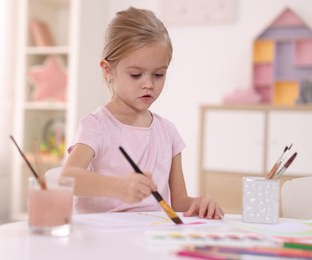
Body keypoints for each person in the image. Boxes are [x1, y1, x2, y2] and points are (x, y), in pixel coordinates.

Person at [61, 6, 223, 219]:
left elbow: (179, 202)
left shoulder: (168, 133)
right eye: (136, 75)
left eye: (158, 74)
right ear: (108, 70)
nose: (148, 84)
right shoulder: (97, 126)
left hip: (149, 239)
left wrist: (200, 203)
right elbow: (67, 179)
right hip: (101, 241)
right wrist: (117, 187)